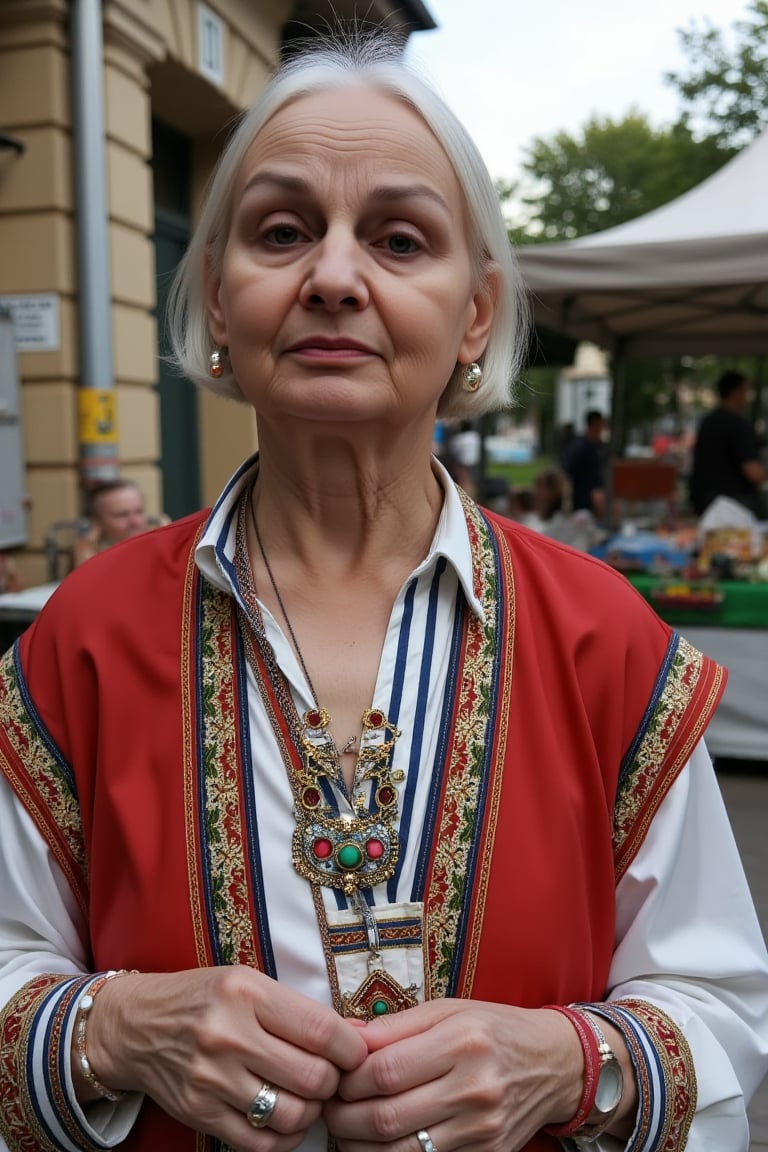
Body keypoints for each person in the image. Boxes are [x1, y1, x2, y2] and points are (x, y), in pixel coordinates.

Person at [0, 34, 767, 1152]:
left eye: (399, 239)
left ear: (474, 313)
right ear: (218, 299)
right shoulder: (87, 638)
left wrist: (570, 1063)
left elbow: (730, 1013)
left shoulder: (608, 643)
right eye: (281, 232)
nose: (334, 276)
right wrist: (112, 1031)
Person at [689, 370, 767, 519]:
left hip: (705, 501)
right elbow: (753, 471)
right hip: (735, 504)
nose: (747, 397)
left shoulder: (707, 422)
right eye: (746, 390)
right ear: (735, 392)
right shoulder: (738, 426)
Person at [71, 478, 151, 567]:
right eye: (122, 515)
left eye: (139, 512)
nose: (135, 522)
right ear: (96, 522)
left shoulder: (157, 547)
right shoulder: (89, 555)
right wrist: (86, 552)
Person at [562, 409, 607, 519]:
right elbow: (567, 472)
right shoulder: (579, 448)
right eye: (600, 425)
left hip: (599, 500)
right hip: (582, 501)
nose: (601, 429)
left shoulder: (601, 447)